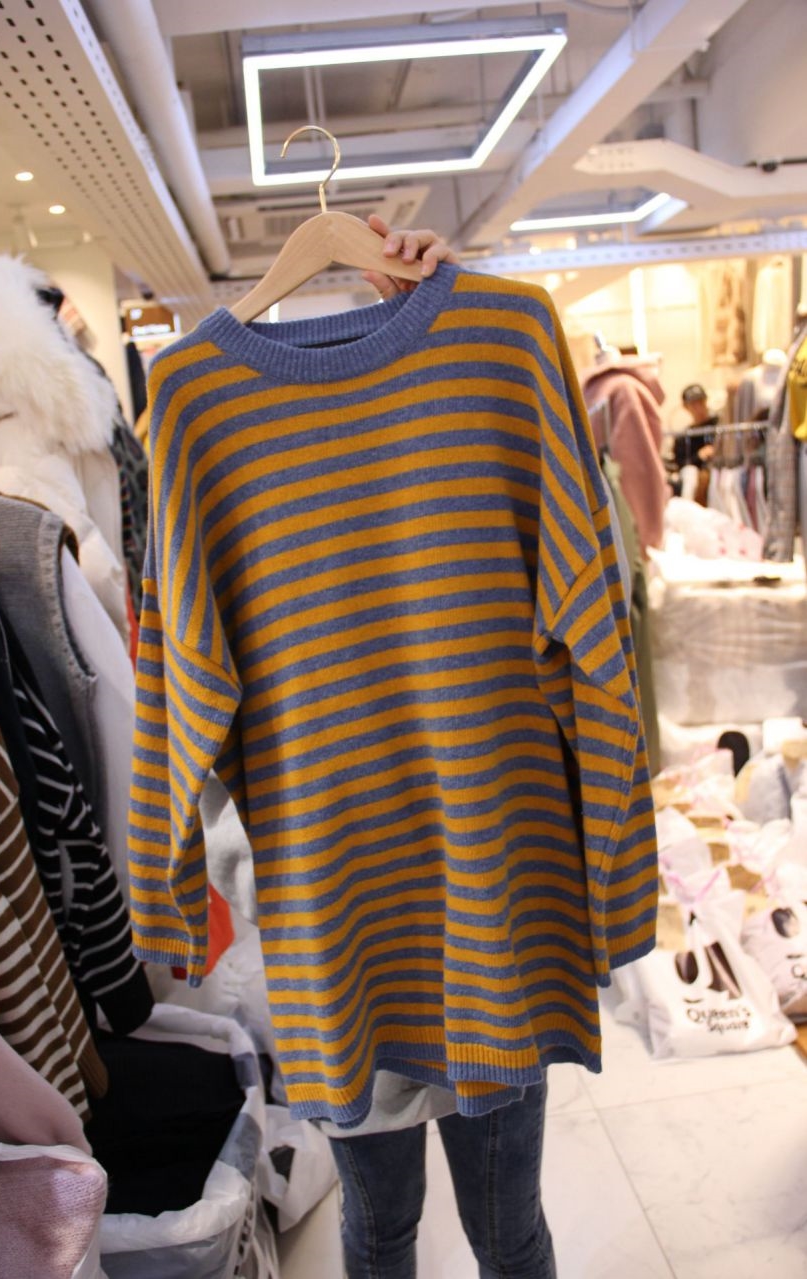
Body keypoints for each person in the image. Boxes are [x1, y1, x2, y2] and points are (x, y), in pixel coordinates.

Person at [318, 213, 558, 1279]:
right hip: (349, 935)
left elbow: (581, 619)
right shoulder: (198, 404)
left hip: (467, 927)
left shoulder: (505, 346)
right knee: (400, 1229)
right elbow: (184, 683)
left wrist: (457, 318)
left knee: (485, 1230)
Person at [674, 382, 719, 469]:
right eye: (693, 404)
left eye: (701, 402)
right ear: (685, 406)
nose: (699, 408)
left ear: (706, 400)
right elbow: (680, 464)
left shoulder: (720, 425)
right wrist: (699, 456)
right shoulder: (683, 438)